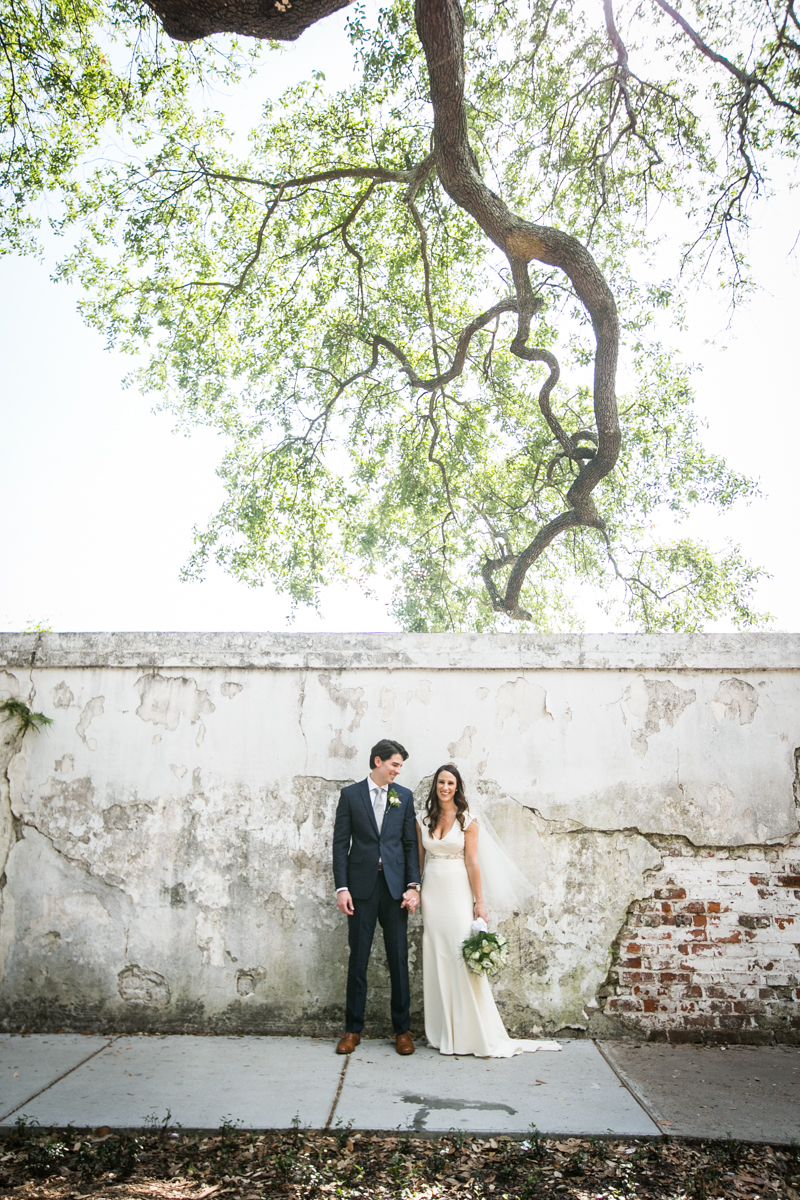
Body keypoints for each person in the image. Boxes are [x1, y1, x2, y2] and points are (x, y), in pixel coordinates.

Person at [416, 763, 561, 1058]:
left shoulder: (468, 820)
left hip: (457, 892)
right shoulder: (422, 819)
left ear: (457, 788)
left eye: (451, 783)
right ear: (435, 786)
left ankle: (472, 1031)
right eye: (441, 782)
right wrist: (415, 891)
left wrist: (478, 902)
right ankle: (445, 1030)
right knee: (436, 955)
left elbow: (472, 862)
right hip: (432, 892)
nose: (445, 787)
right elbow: (418, 862)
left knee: (459, 955)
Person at [332, 738, 421, 1056]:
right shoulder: (350, 796)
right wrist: (342, 888)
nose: (398, 771)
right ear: (377, 762)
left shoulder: (405, 797)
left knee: (398, 959)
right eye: (395, 764)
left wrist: (413, 885)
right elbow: (341, 844)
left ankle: (402, 1031)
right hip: (361, 889)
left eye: (400, 766)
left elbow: (410, 844)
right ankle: (352, 1030)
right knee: (358, 960)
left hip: (395, 889)